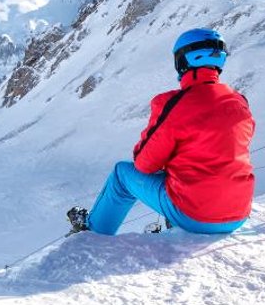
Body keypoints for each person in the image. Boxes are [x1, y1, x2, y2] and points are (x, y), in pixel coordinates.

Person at [67, 28, 255, 235]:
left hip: (196, 216)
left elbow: (144, 164)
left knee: (122, 174)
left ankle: (94, 232)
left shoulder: (174, 103)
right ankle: (173, 225)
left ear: (182, 61)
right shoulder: (239, 101)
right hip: (238, 214)